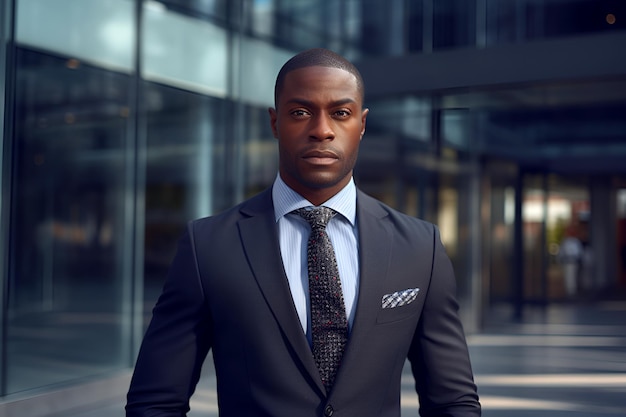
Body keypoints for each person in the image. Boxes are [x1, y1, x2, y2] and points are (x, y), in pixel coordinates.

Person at [126, 48, 481, 417]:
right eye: (300, 112)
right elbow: (155, 401)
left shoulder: (421, 247)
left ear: (361, 124)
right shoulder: (208, 246)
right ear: (275, 122)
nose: (322, 130)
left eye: (340, 113)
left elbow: (452, 401)